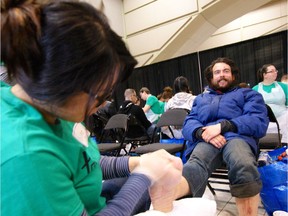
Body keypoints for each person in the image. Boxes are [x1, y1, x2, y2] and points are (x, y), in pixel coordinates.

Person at [0, 1, 183, 215]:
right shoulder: (26, 156)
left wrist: (137, 163)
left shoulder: (52, 107)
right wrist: (144, 175)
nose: (99, 107)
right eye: (99, 96)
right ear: (64, 82)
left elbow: (86, 162)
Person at [178, 57, 269, 216]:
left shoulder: (248, 94)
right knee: (193, 166)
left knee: (243, 163)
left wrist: (222, 126)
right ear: (211, 78)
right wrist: (202, 132)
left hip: (238, 137)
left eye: (226, 71)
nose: (221, 75)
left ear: (233, 76)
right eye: (217, 72)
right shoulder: (201, 99)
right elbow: (189, 122)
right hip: (207, 139)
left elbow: (258, 121)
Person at [252, 64, 288, 144]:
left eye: (276, 71)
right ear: (264, 75)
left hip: (284, 120)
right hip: (265, 122)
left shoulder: (284, 87)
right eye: (271, 71)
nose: (275, 73)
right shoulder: (255, 89)